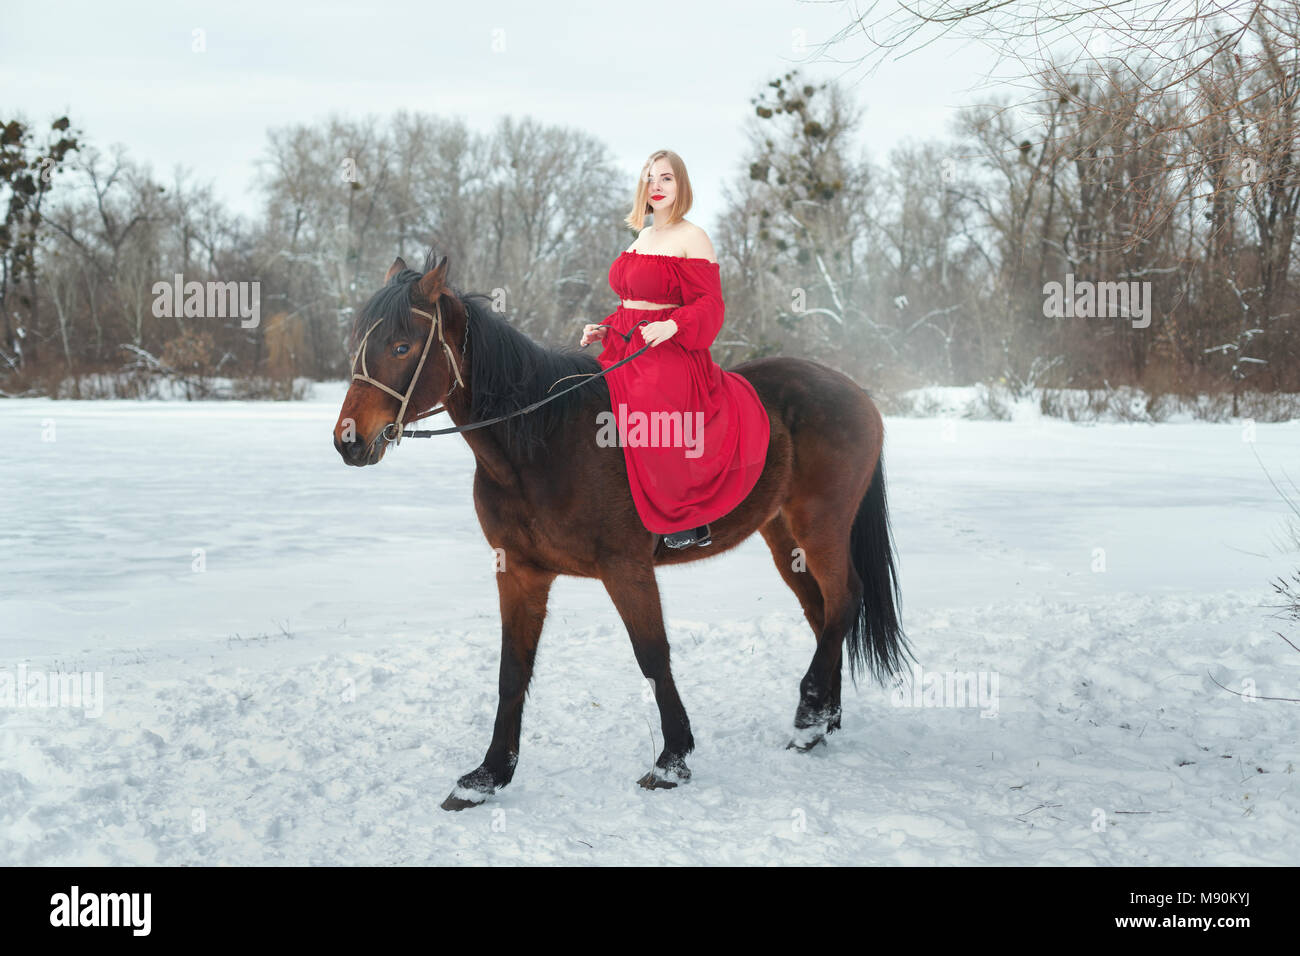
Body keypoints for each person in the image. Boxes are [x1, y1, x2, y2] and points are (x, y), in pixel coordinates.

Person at [580, 149, 769, 549]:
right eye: (650, 179)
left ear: (681, 184)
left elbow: (710, 305)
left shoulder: (692, 236)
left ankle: (684, 516)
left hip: (673, 348)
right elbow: (631, 304)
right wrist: (605, 328)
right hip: (630, 343)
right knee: (583, 391)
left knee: (649, 406)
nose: (657, 187)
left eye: (666, 178)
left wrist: (673, 324)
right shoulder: (643, 235)